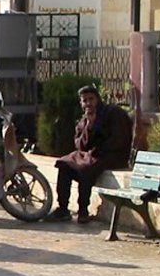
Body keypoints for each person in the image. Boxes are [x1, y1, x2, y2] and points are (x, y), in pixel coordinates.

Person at [46, 85, 132, 224]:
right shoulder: (85, 119)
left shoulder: (113, 113)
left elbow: (119, 139)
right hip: (92, 155)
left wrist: (97, 149)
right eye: (84, 100)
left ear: (97, 99)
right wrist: (89, 127)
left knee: (85, 170)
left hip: (113, 155)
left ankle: (83, 211)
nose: (88, 103)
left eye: (91, 99)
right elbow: (80, 145)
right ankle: (63, 209)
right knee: (65, 164)